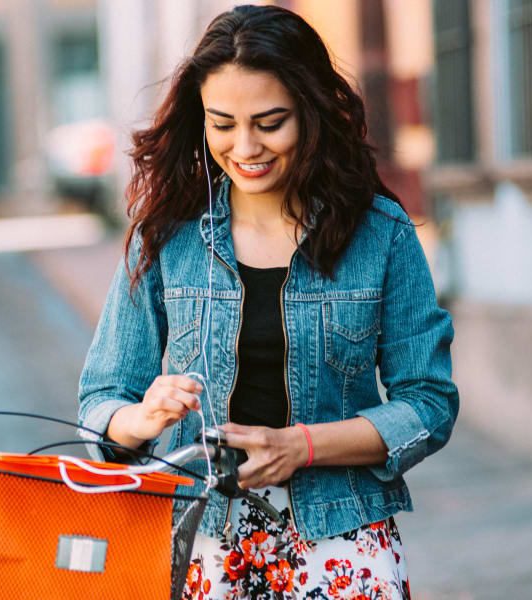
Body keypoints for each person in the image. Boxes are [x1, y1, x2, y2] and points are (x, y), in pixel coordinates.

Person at [78, 5, 458, 599]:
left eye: (270, 121)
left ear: (310, 113)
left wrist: (301, 447)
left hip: (343, 548)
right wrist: (143, 418)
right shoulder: (166, 238)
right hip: (199, 547)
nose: (245, 146)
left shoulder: (380, 234)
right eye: (222, 123)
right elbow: (100, 407)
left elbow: (429, 404)